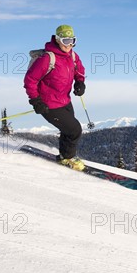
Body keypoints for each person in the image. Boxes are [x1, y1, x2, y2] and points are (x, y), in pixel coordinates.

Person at [24, 24, 87, 171]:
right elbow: (30, 80)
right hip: (49, 105)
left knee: (67, 130)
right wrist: (35, 100)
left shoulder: (72, 55)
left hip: (65, 100)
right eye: (66, 41)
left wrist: (80, 82)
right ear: (58, 39)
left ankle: (64, 156)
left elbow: (80, 70)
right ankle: (68, 158)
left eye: (72, 40)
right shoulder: (47, 58)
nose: (69, 44)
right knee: (74, 130)